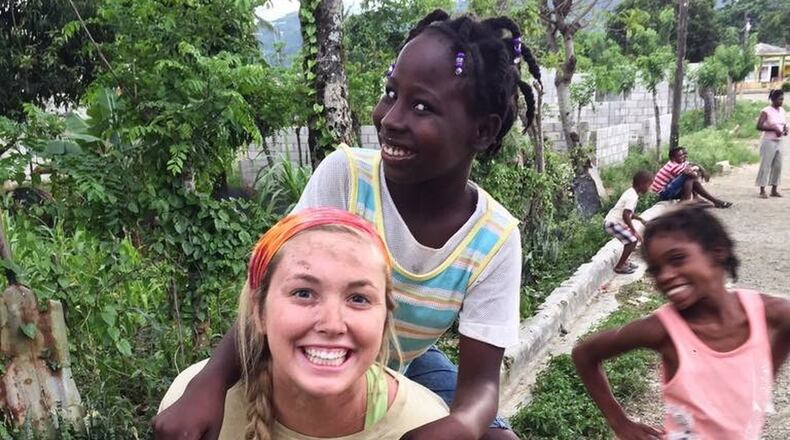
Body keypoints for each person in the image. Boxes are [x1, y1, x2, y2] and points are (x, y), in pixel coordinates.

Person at [154, 10, 542, 440]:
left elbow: (482, 387)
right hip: (312, 351)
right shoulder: (347, 177)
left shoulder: (494, 239)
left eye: (421, 106)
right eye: (390, 93)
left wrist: (461, 424)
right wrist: (208, 382)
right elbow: (273, 290)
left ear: (483, 131)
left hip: (401, 360)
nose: (390, 119)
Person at [159, 208, 450, 439]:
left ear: (385, 319)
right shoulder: (195, 409)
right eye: (303, 293)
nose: (332, 324)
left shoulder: (423, 424)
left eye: (359, 298)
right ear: (259, 312)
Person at [572, 205, 790, 439]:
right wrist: (620, 422)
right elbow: (584, 354)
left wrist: (762, 379)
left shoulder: (771, 313)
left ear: (718, 252)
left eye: (677, 259)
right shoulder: (663, 330)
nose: (664, 276)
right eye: (656, 270)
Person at [604, 170, 653, 275]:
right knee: (632, 241)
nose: (649, 189)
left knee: (630, 241)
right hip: (613, 223)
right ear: (642, 184)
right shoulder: (632, 196)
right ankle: (619, 266)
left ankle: (625, 262)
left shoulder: (631, 192)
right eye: (648, 185)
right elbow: (625, 215)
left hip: (614, 222)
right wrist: (633, 230)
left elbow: (629, 213)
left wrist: (640, 219)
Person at [650, 147, 732, 208]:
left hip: (668, 190)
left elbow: (692, 164)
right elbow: (693, 174)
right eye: (680, 156)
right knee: (689, 177)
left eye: (683, 155)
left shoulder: (679, 163)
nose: (683, 157)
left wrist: (701, 169)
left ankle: (709, 200)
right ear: (673, 158)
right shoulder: (673, 166)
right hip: (663, 193)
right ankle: (686, 202)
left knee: (690, 177)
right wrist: (698, 171)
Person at [755, 89, 787, 199]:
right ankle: (762, 190)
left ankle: (774, 189)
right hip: (768, 142)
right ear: (773, 99)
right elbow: (759, 126)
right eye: (780, 99)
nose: (781, 101)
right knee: (766, 165)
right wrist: (773, 128)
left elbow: (783, 124)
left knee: (778, 165)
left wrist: (785, 130)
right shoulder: (766, 111)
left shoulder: (782, 111)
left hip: (780, 141)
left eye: (782, 99)